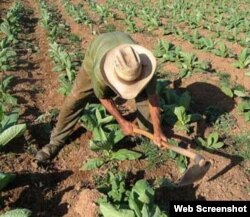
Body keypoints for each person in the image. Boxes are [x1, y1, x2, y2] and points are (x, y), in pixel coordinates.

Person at [35, 31, 167, 163]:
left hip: (122, 44)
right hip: (97, 49)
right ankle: (55, 141)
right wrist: (122, 122)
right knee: (76, 97)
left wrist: (157, 129)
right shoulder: (100, 70)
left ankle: (150, 134)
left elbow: (153, 99)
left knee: (144, 96)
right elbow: (103, 98)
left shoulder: (144, 67)